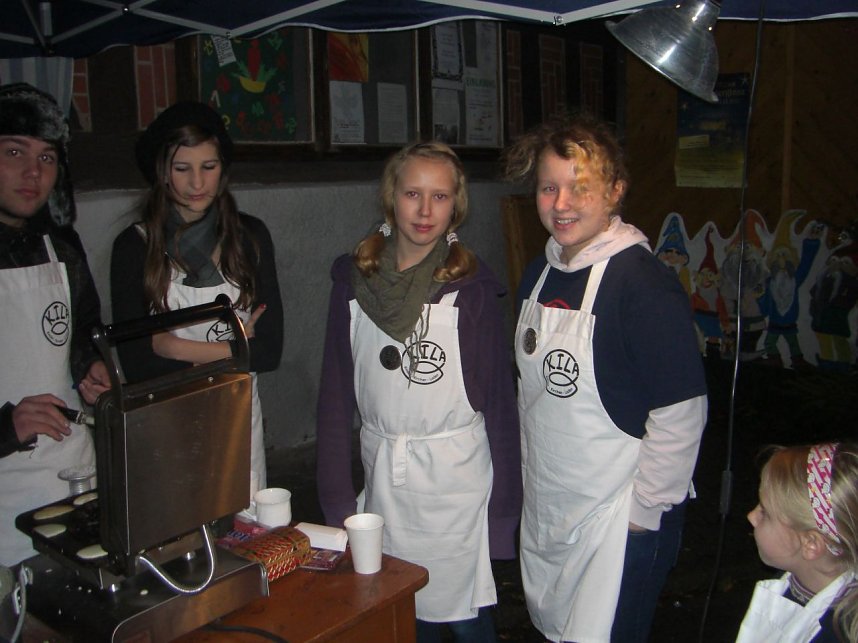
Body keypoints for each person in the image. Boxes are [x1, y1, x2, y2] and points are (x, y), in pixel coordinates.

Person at [503, 113, 708, 643]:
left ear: (615, 192)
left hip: (618, 518)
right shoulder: (541, 271)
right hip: (554, 504)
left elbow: (681, 412)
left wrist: (642, 516)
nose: (562, 204)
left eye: (581, 187)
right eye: (550, 187)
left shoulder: (641, 284)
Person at [316, 142, 521, 642]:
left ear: (457, 206)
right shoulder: (352, 283)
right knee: (401, 609)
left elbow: (500, 408)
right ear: (391, 198)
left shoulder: (470, 292)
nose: (425, 210)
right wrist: (337, 498)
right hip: (385, 480)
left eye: (440, 196)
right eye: (413, 193)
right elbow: (335, 398)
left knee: (464, 616)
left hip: (455, 487)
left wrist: (503, 514)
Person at [110, 101, 283, 492]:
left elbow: (270, 351)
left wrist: (171, 345)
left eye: (209, 167)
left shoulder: (249, 238)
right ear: (162, 173)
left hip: (236, 417)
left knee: (242, 529)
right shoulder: (135, 247)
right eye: (182, 168)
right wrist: (236, 348)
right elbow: (138, 364)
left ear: (223, 169)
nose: (197, 184)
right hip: (165, 419)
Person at [0, 83, 111, 566]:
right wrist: (8, 425)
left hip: (72, 472)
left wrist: (91, 366)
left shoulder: (62, 248)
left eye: (47, 158)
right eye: (14, 152)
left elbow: (83, 331)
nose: (33, 172)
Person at [738, 443, 858, 642]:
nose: (751, 516)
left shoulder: (834, 634)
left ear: (811, 543)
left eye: (765, 513)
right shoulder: (793, 581)